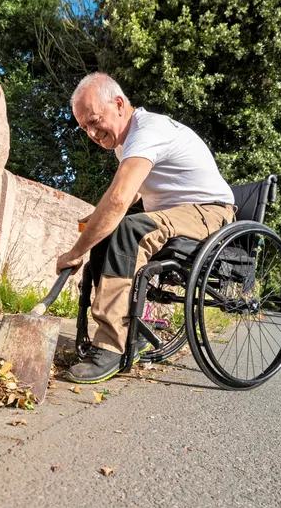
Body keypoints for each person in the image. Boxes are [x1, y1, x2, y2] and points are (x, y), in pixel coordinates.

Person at [57, 72, 237, 384]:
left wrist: (76, 251)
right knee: (108, 232)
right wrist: (95, 225)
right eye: (84, 126)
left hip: (210, 213)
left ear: (118, 104)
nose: (90, 132)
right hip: (179, 213)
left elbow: (119, 198)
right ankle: (126, 333)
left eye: (94, 120)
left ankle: (111, 347)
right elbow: (129, 194)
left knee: (130, 230)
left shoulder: (148, 130)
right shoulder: (124, 143)